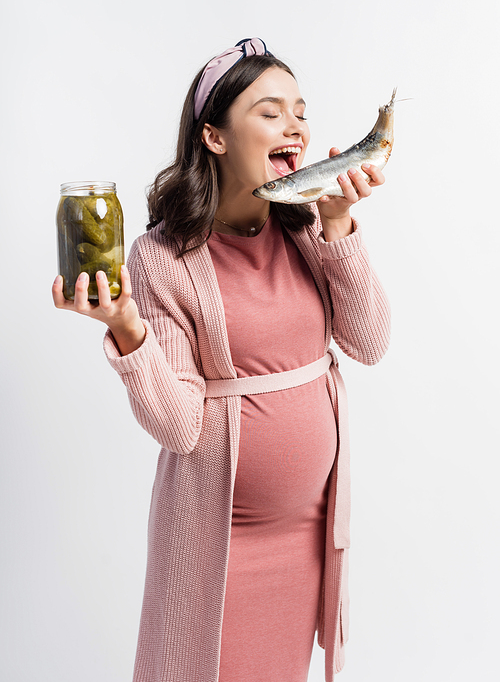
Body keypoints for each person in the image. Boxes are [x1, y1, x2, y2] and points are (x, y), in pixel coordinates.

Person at [52, 38, 390, 682]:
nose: (294, 125)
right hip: (218, 544)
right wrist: (127, 329)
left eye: (300, 109)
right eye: (270, 111)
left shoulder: (309, 227)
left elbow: (369, 341)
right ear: (214, 136)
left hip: (305, 540)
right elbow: (180, 425)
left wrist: (340, 223)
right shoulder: (162, 257)